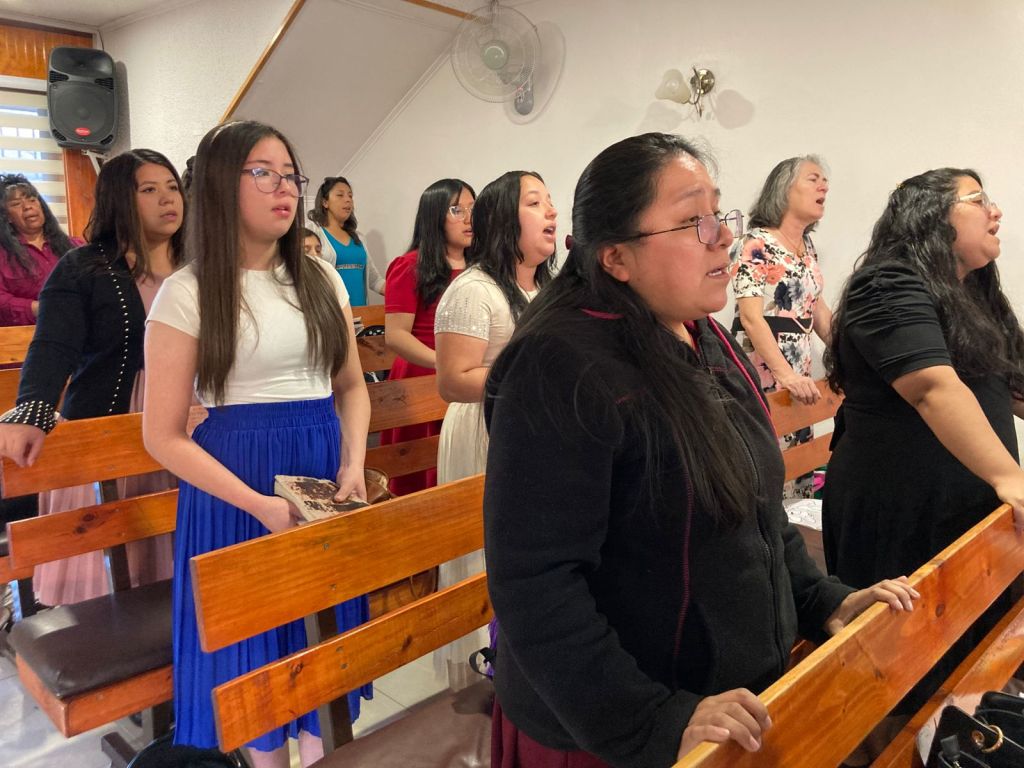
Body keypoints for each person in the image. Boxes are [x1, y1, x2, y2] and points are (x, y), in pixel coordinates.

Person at [482, 133, 918, 768]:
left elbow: (755, 510)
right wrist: (653, 721)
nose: (724, 237)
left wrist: (822, 601)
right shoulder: (558, 367)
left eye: (720, 213)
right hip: (614, 732)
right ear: (616, 258)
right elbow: (536, 583)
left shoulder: (701, 331)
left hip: (726, 709)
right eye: (694, 221)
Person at [143, 121, 372, 767]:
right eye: (264, 173)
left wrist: (354, 464)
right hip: (236, 490)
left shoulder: (321, 278)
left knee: (322, 657)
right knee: (257, 670)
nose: (286, 189)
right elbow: (161, 435)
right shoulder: (187, 292)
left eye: (291, 175)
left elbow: (352, 387)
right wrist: (258, 505)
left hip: (319, 474)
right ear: (223, 184)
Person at [822, 168, 1024, 754]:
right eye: (978, 199)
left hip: (963, 509)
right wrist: (1010, 478)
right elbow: (932, 388)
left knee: (964, 663)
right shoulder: (887, 282)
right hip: (901, 509)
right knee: (903, 672)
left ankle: (963, 740)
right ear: (930, 216)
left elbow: (1013, 384)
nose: (996, 211)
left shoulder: (972, 292)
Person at [0, 149, 184, 605]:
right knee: (125, 558)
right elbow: (52, 345)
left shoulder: (199, 265)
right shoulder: (83, 267)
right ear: (119, 199)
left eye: (172, 187)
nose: (168, 199)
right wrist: (32, 408)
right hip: (114, 416)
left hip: (191, 416)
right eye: (149, 189)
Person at [432, 170, 556, 691]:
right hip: (484, 430)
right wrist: (532, 375)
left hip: (532, 429)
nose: (552, 212)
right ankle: (484, 664)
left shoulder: (547, 287)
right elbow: (453, 380)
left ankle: (527, 661)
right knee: (486, 552)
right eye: (536, 202)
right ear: (505, 218)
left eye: (550, 201)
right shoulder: (473, 290)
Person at [730, 156, 832, 497]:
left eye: (824, 181)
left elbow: (817, 309)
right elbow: (750, 317)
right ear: (784, 189)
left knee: (799, 459)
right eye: (813, 179)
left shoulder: (806, 246)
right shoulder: (755, 242)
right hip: (764, 363)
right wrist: (785, 374)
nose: (824, 186)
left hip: (798, 362)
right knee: (769, 459)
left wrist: (851, 353)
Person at [381, 178, 475, 495]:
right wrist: (445, 363)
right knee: (421, 475)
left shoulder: (480, 267)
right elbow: (396, 336)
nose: (468, 218)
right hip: (422, 375)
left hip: (466, 377)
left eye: (473, 209)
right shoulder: (410, 265)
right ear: (434, 216)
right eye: (457, 210)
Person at [0, 173, 81, 325]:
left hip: (78, 329)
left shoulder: (76, 246)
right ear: (7, 217)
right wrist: (38, 308)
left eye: (32, 199)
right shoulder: (3, 253)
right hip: (25, 333)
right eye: (16, 204)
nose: (27, 206)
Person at [306, 176, 384, 306]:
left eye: (350, 196)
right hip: (332, 314)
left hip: (362, 314)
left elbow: (375, 280)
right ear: (325, 202)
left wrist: (403, 292)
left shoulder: (359, 238)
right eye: (340, 195)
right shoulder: (313, 232)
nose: (348, 200)